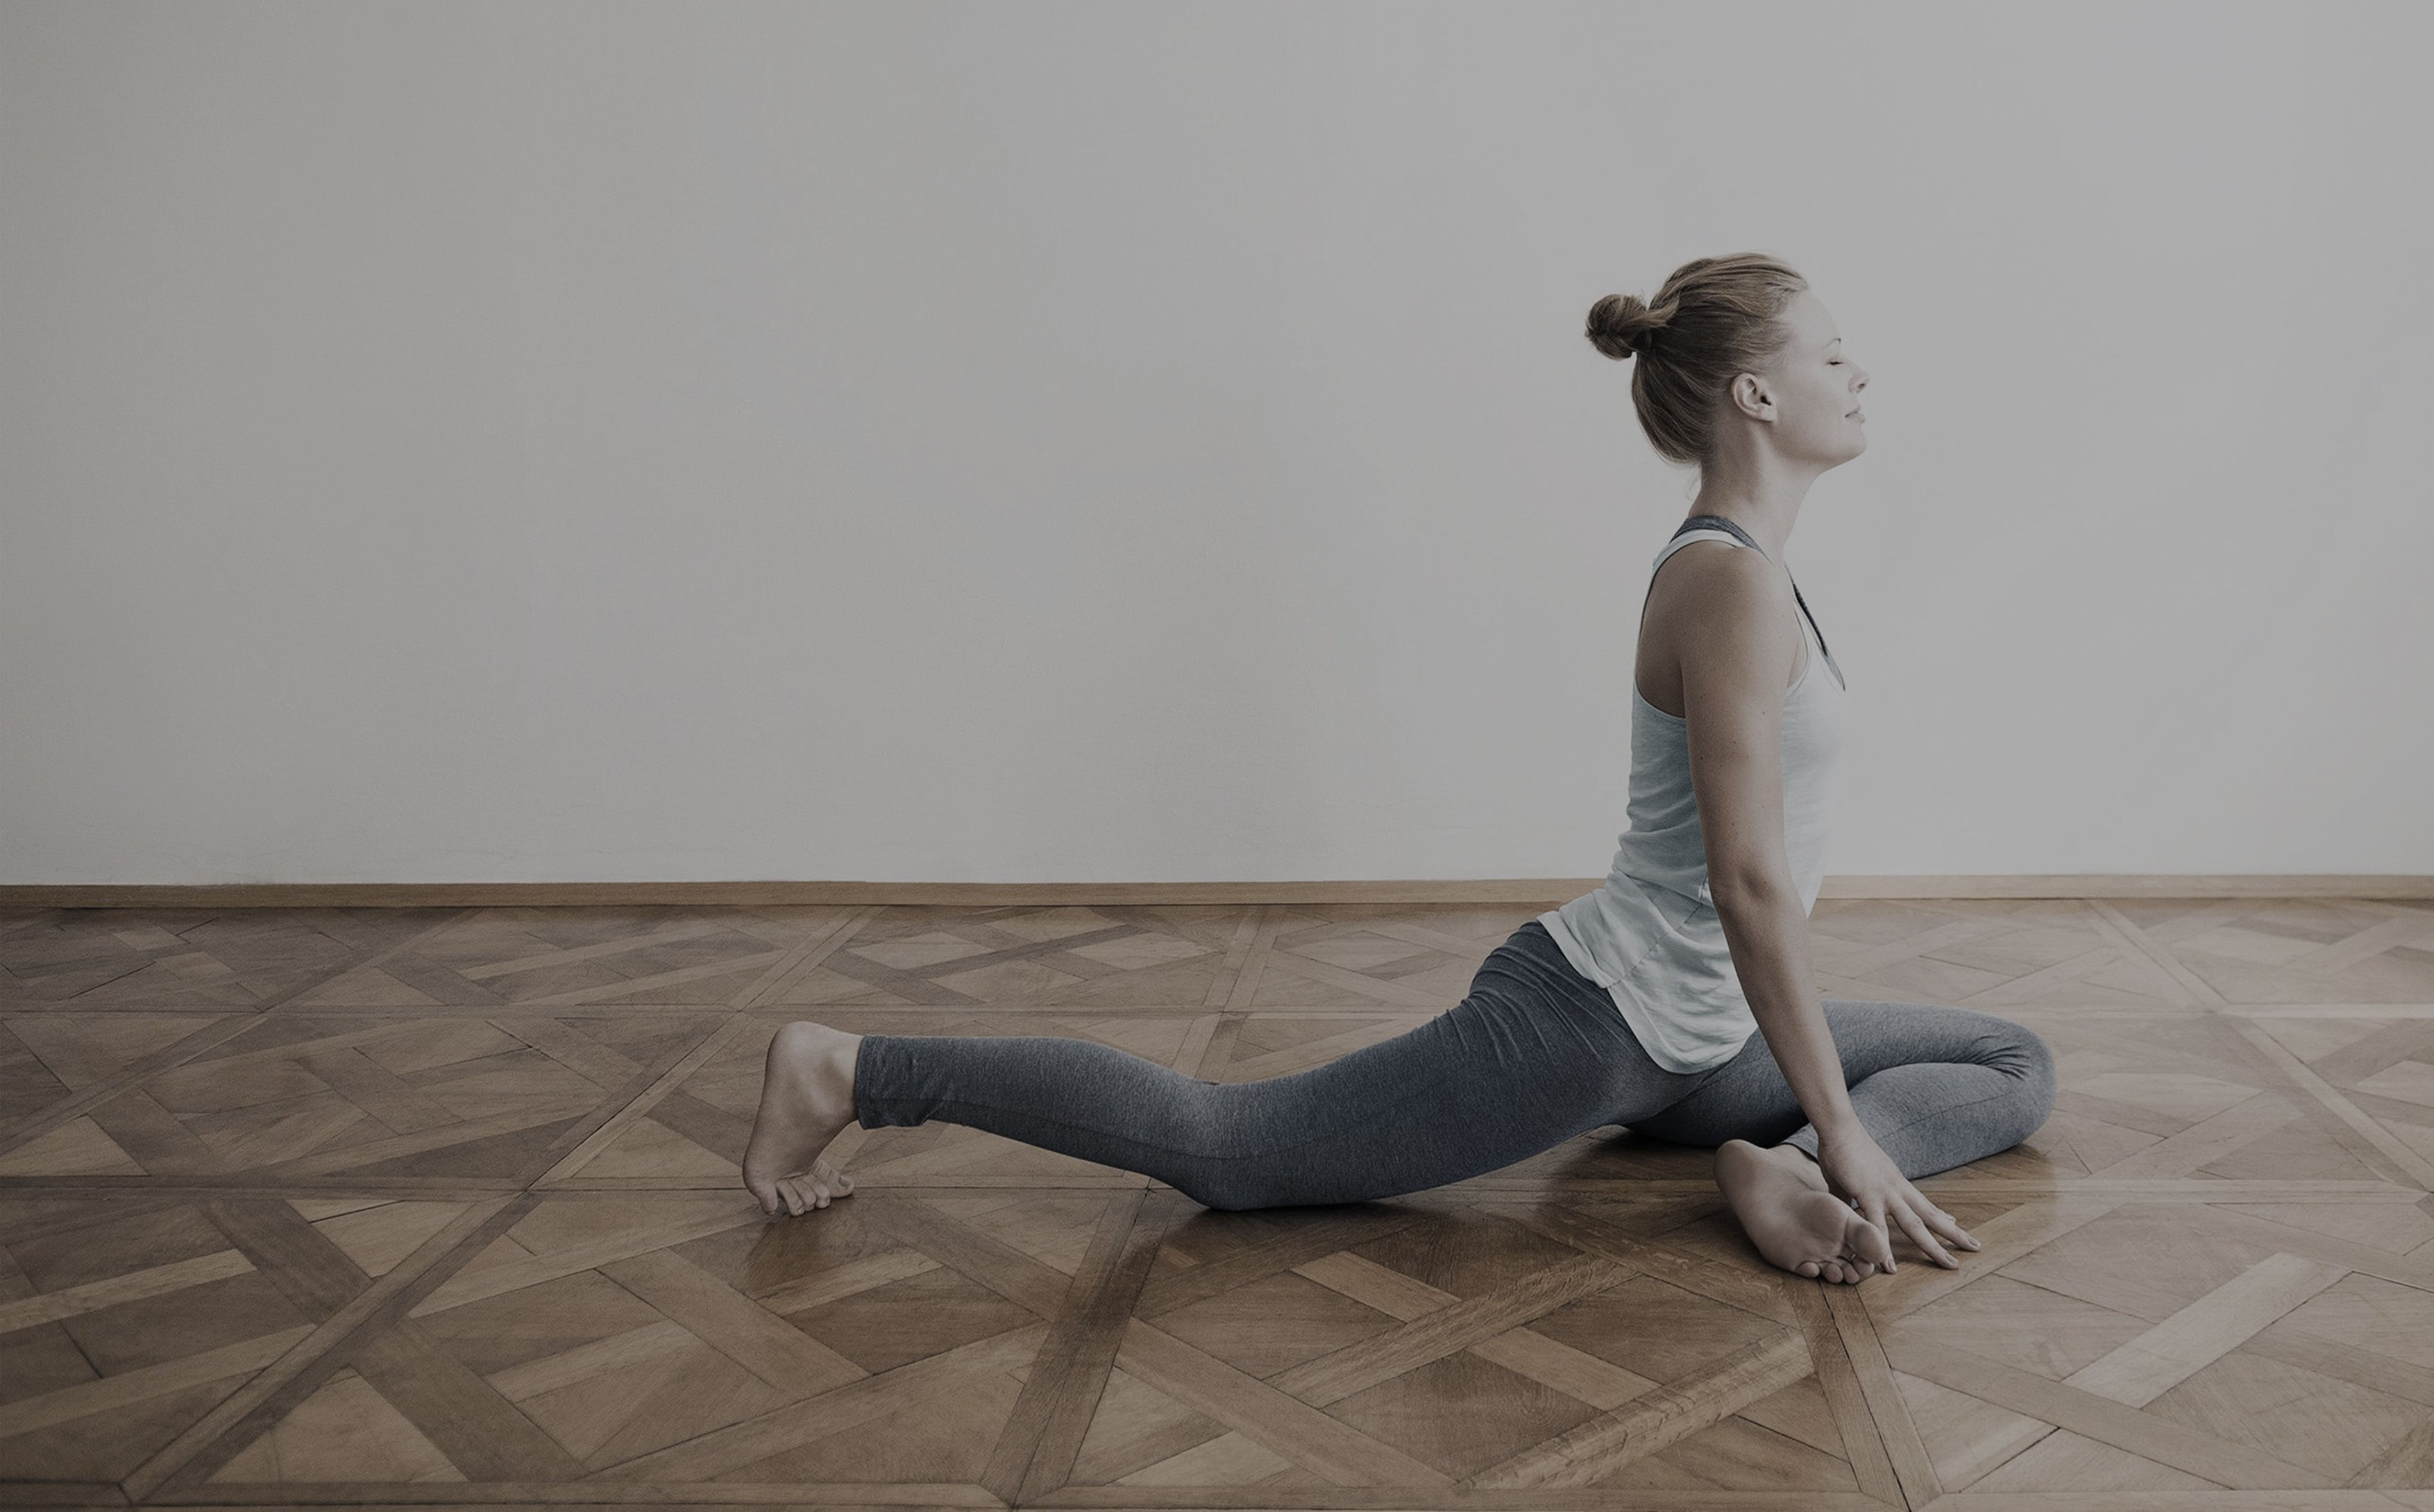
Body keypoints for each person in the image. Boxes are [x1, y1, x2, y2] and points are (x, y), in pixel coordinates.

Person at [741, 253, 2054, 1282]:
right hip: (1594, 1026)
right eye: (1835, 351)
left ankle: (1778, 1174)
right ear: (1758, 394)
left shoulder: (1754, 573)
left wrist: (1823, 1125)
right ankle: (851, 1070)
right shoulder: (1727, 585)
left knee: (2009, 1060)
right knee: (1232, 1150)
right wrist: (1836, 1115)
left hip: (1704, 1044)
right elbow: (1750, 882)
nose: (1861, 371)